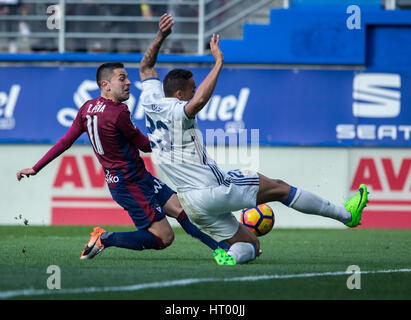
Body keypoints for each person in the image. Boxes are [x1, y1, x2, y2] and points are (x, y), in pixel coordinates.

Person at [139, 14, 369, 265]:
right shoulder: (177, 111)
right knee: (280, 187)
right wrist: (218, 63)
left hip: (191, 203)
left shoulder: (151, 101)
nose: (195, 91)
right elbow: (199, 102)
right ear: (180, 94)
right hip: (212, 189)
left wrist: (161, 36)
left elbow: (146, 67)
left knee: (250, 244)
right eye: (192, 88)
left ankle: (231, 258)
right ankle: (348, 215)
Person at [16, 61, 232, 264]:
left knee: (181, 210)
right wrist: (172, 134)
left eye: (127, 77)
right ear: (106, 85)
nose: (128, 82)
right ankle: (105, 238)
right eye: (122, 78)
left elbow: (65, 141)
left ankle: (219, 250)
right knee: (165, 238)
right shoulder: (118, 113)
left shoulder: (86, 108)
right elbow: (146, 146)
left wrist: (36, 167)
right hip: (128, 185)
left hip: (138, 177)